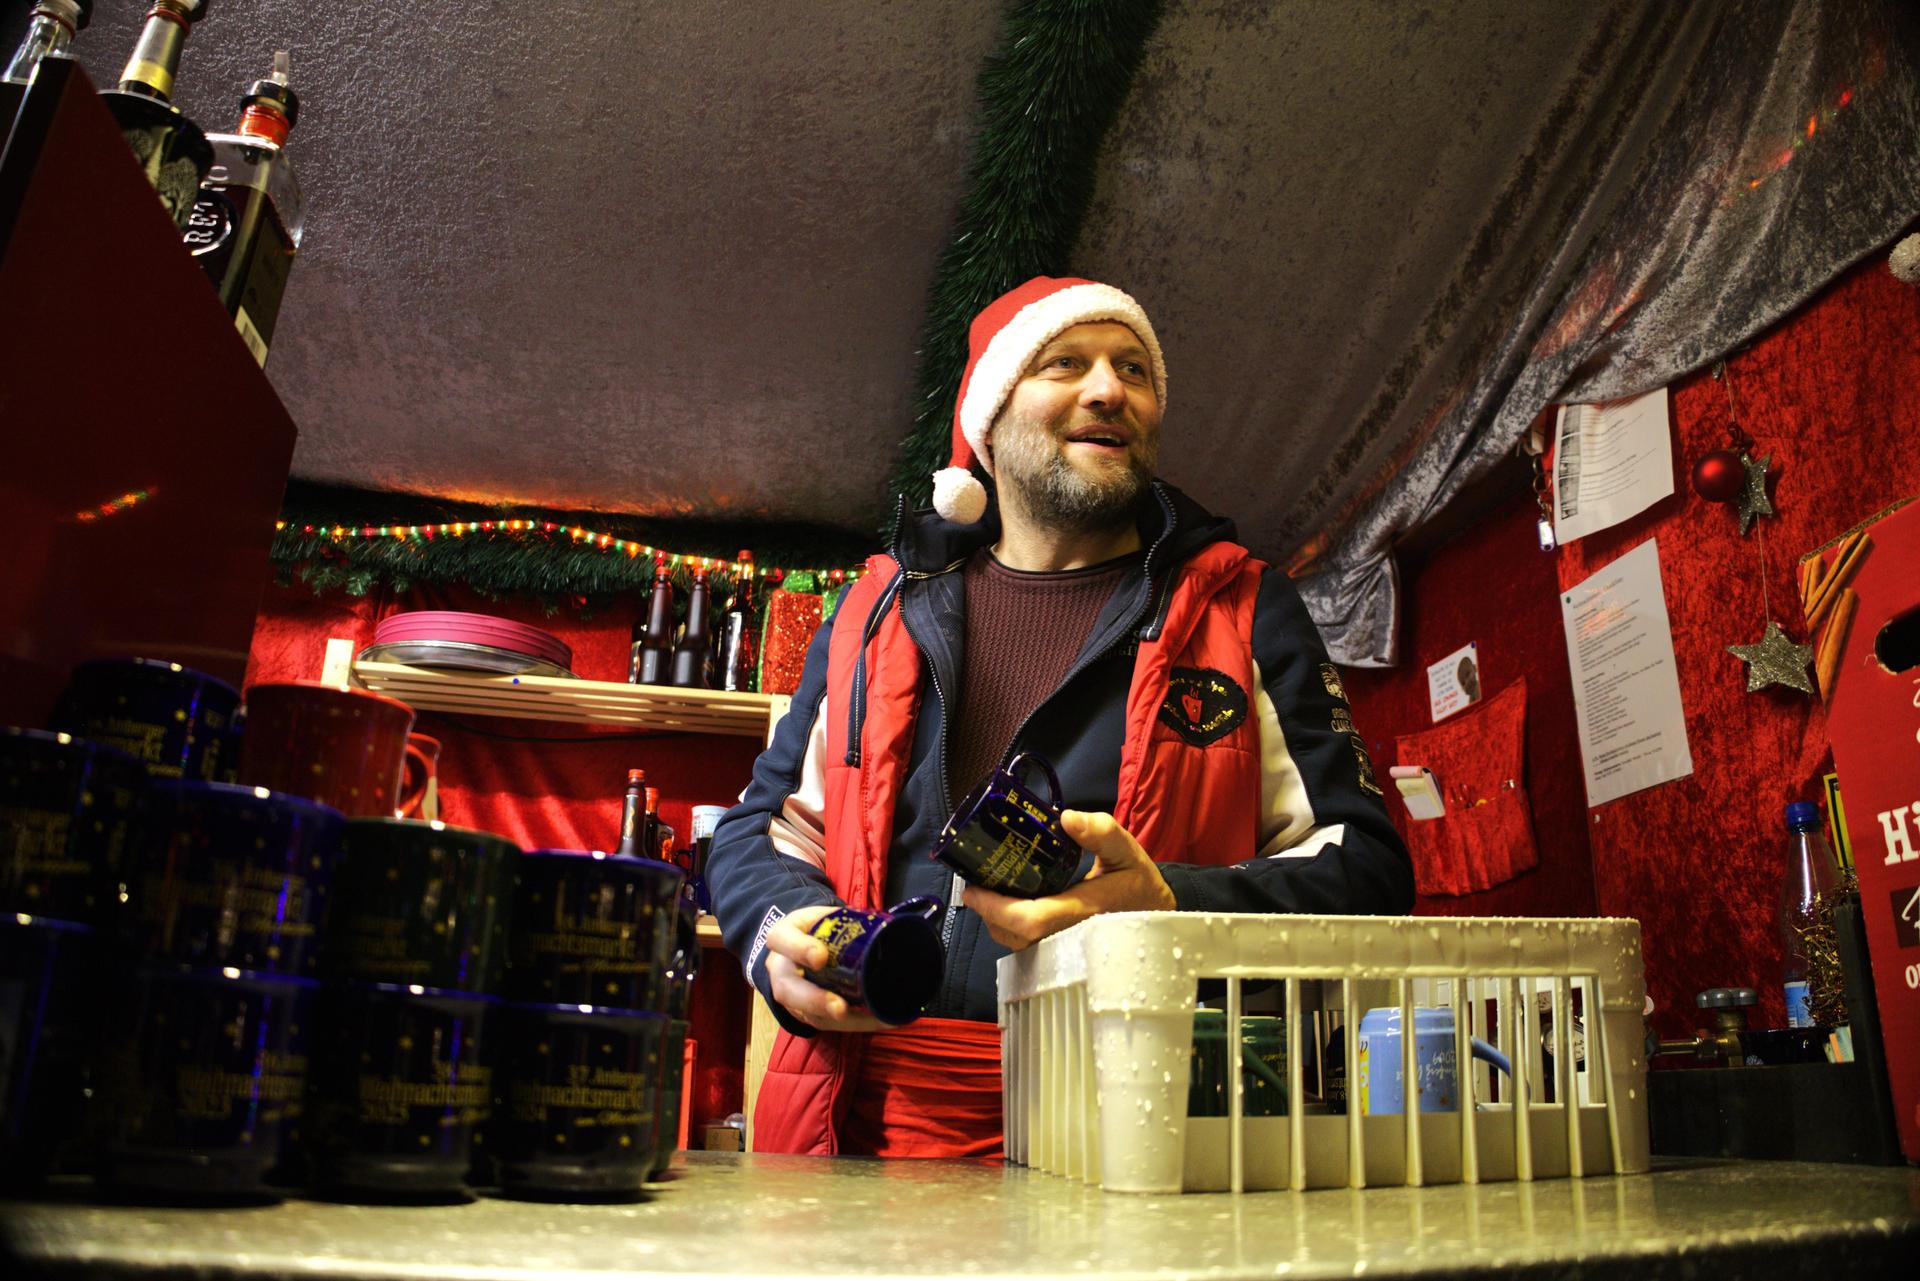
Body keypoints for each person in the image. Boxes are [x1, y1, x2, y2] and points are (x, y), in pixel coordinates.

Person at [706, 276, 1413, 1159]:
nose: (1110, 389)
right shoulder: (874, 610)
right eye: (1065, 364)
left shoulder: (1242, 606)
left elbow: (1367, 872)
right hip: (857, 1135)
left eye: (1134, 371)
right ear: (988, 426)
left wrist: (1169, 906)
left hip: (1139, 1140)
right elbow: (761, 834)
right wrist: (781, 935)